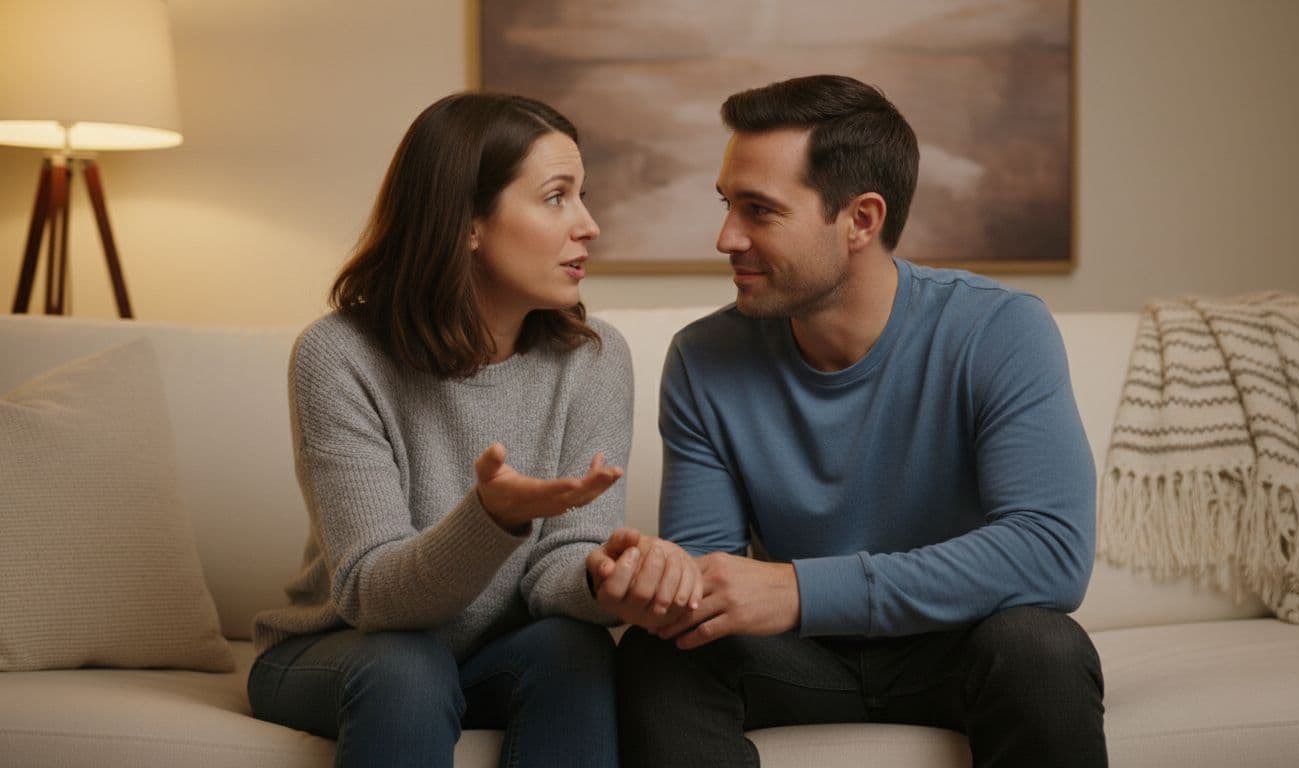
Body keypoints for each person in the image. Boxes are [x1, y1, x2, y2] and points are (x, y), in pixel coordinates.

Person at [588, 74, 1106, 767]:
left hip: (960, 645)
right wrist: (658, 586)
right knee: (664, 655)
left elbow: (1049, 553)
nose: (725, 237)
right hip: (799, 663)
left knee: (1043, 646)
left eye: (759, 211)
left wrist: (800, 590)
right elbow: (704, 584)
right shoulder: (704, 359)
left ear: (860, 219)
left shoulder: (999, 330)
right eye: (726, 205)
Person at [248, 92, 632, 768]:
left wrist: (604, 578)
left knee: (576, 649)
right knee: (408, 666)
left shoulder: (594, 358)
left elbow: (557, 570)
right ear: (467, 224)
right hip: (344, 649)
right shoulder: (339, 356)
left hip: (500, 654)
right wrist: (490, 519)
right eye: (556, 197)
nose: (589, 225)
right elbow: (370, 591)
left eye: (582, 196)